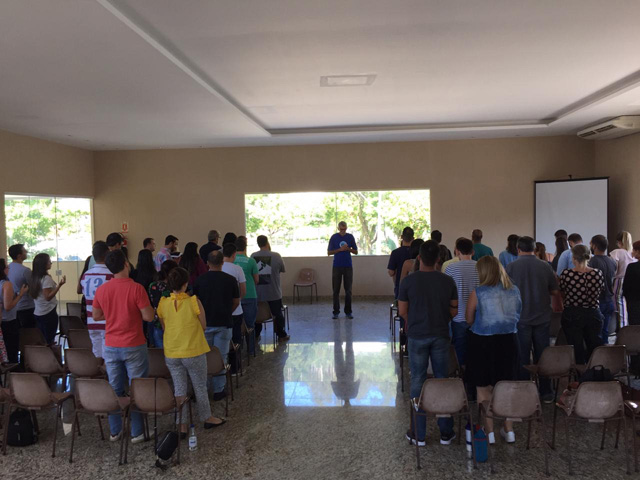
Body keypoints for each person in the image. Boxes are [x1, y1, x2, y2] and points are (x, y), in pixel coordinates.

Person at [398, 240, 458, 447]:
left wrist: (416, 321)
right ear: (439, 259)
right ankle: (446, 432)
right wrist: (441, 319)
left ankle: (419, 433)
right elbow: (454, 310)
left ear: (419, 258)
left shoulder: (408, 282)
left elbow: (402, 311)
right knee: (442, 379)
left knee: (418, 380)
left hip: (417, 336)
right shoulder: (447, 281)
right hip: (440, 335)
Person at [92, 249, 154, 443]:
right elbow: (148, 316)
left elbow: (96, 315)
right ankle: (137, 432)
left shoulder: (102, 289)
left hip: (111, 345)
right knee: (136, 390)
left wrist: (112, 314)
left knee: (115, 389)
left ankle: (115, 431)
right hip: (134, 344)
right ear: (127, 264)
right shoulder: (136, 288)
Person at [157, 267, 224, 434]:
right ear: (186, 284)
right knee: (199, 386)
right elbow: (203, 325)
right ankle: (207, 418)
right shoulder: (194, 301)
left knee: (179, 388)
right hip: (193, 350)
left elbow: (164, 326)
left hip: (172, 352)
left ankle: (182, 424)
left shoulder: (163, 303)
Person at [465, 256, 522, 444]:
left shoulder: (478, 292)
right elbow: (518, 315)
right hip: (509, 342)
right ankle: (509, 430)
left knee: (483, 389)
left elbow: (469, 319)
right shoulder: (514, 290)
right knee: (507, 388)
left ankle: (489, 433)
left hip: (483, 343)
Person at [505, 236, 559, 402]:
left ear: (518, 249)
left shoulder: (511, 267)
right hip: (542, 317)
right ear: (535, 249)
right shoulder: (545, 266)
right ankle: (546, 392)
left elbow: (505, 291)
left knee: (522, 356)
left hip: (520, 318)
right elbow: (555, 291)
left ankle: (524, 391)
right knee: (542, 355)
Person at [194, 251, 239, 400]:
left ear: (207, 263)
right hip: (224, 323)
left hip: (205, 324)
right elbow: (236, 301)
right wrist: (228, 312)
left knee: (204, 357)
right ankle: (219, 390)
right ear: (222, 263)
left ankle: (204, 388)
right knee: (221, 356)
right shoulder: (230, 280)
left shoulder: (200, 280)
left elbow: (195, 303)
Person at [559, 245, 605, 364]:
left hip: (572, 314)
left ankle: (578, 372)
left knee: (575, 349)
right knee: (594, 349)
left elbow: (562, 293)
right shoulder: (598, 273)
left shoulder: (567, 274)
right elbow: (600, 291)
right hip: (593, 313)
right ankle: (594, 371)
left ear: (573, 258)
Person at [444, 238, 478, 368]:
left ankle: (461, 374)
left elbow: (447, 293)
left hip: (458, 315)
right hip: (477, 316)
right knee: (475, 348)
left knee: (459, 348)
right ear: (472, 251)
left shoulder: (451, 268)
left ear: (457, 251)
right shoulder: (480, 267)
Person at [251, 235, 290, 340]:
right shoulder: (276, 256)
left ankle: (256, 335)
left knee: (257, 315)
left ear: (258, 244)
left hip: (258, 293)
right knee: (277, 314)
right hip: (274, 293)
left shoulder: (253, 256)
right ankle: (281, 335)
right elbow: (282, 269)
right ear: (267, 242)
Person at [80, 241, 113, 358]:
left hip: (91, 320)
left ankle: (97, 369)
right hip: (106, 320)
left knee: (97, 352)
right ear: (107, 254)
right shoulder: (111, 275)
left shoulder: (86, 275)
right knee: (108, 354)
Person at [28, 253, 66, 345]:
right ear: (43, 264)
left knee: (42, 339)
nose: (51, 263)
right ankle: (50, 353)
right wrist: (59, 285)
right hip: (48, 312)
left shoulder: (34, 277)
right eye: (49, 261)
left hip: (38, 312)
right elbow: (48, 297)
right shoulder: (46, 278)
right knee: (49, 339)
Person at [588, 235, 617, 342]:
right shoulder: (612, 261)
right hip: (609, 300)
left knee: (595, 332)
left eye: (591, 243)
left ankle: (595, 351)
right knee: (605, 331)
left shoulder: (592, 262)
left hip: (597, 301)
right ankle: (604, 349)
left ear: (595, 246)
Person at [222, 243, 246, 368]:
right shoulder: (237, 269)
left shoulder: (216, 268)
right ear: (234, 254)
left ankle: (222, 365)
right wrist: (239, 300)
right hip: (236, 310)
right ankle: (235, 367)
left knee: (222, 340)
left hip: (221, 310)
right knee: (236, 338)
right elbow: (243, 290)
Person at [0, 258, 29, 363]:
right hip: (8, 321)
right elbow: (8, 306)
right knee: (11, 351)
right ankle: (12, 370)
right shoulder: (6, 284)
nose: (8, 269)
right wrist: (20, 294)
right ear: (3, 269)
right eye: (7, 267)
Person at [328, 221, 358, 319]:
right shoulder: (334, 237)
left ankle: (348, 312)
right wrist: (339, 250)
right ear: (338, 228)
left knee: (348, 290)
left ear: (346, 228)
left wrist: (348, 249)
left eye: (344, 229)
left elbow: (356, 251)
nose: (343, 231)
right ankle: (336, 312)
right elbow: (329, 252)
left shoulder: (350, 237)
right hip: (337, 266)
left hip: (348, 266)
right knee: (335, 290)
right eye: (341, 229)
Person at [234, 236, 259, 354]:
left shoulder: (231, 261)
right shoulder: (251, 261)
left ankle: (237, 350)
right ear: (245, 247)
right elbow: (256, 279)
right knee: (250, 324)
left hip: (235, 295)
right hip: (250, 294)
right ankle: (251, 350)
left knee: (236, 324)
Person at [148, 260, 178, 348]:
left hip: (157, 321)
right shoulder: (173, 287)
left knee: (159, 351)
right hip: (171, 322)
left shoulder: (152, 285)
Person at [610, 231, 636, 329]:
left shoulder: (617, 252)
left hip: (620, 280)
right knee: (629, 304)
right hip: (632, 280)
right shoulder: (633, 252)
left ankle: (622, 327)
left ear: (619, 242)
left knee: (618, 304)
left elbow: (614, 268)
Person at [7, 244, 35, 328]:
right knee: (30, 332)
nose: (26, 252)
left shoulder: (7, 269)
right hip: (27, 307)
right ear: (19, 255)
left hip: (13, 306)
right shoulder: (25, 271)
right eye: (24, 251)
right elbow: (33, 287)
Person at [387, 227, 414, 299]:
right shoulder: (417, 253)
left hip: (400, 287)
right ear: (413, 238)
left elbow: (391, 272)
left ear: (401, 237)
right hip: (414, 288)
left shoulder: (395, 253)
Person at [623, 241, 640, 325]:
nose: (632, 252)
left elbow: (626, 287)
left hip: (634, 304)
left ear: (638, 251)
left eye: (634, 250)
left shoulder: (632, 267)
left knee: (635, 329)